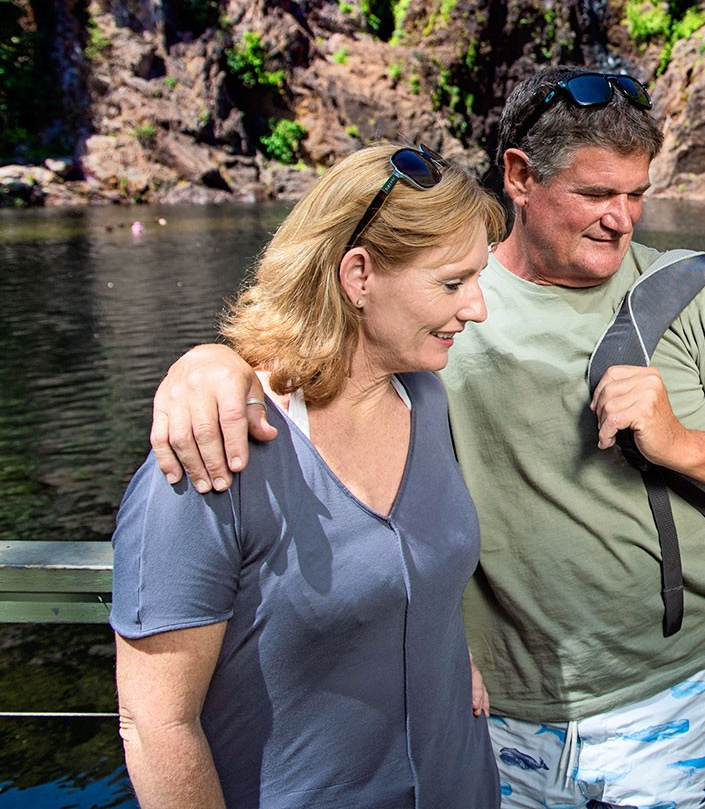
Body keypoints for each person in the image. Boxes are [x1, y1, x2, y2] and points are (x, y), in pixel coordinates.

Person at [146, 66, 705, 809]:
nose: (623, 219)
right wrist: (208, 363)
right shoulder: (437, 305)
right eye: (594, 194)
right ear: (518, 175)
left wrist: (681, 443)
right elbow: (314, 362)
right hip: (481, 713)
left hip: (665, 708)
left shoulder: (692, 299)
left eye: (636, 194)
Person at [114, 144, 505, 809]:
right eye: (451, 283)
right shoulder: (212, 457)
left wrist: (437, 644)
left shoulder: (424, 399)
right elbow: (157, 726)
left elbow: (407, 565)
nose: (477, 308)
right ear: (358, 276)